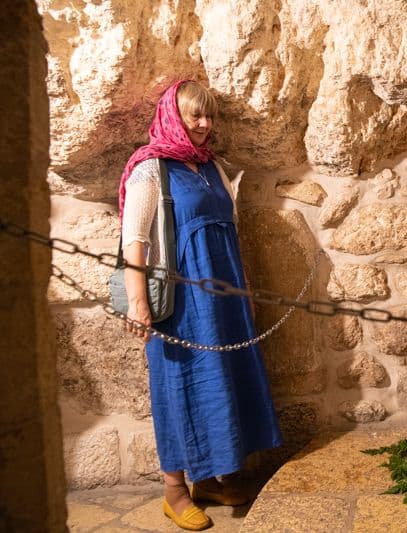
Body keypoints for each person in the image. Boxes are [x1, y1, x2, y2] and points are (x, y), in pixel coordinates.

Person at [120, 80, 282, 531]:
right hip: (182, 301)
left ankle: (211, 479)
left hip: (224, 298)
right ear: (175, 115)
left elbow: (230, 228)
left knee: (223, 380)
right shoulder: (150, 169)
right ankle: (174, 489)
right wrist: (138, 302)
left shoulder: (212, 168)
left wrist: (244, 288)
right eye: (196, 116)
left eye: (210, 116)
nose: (206, 125)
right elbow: (134, 242)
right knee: (180, 384)